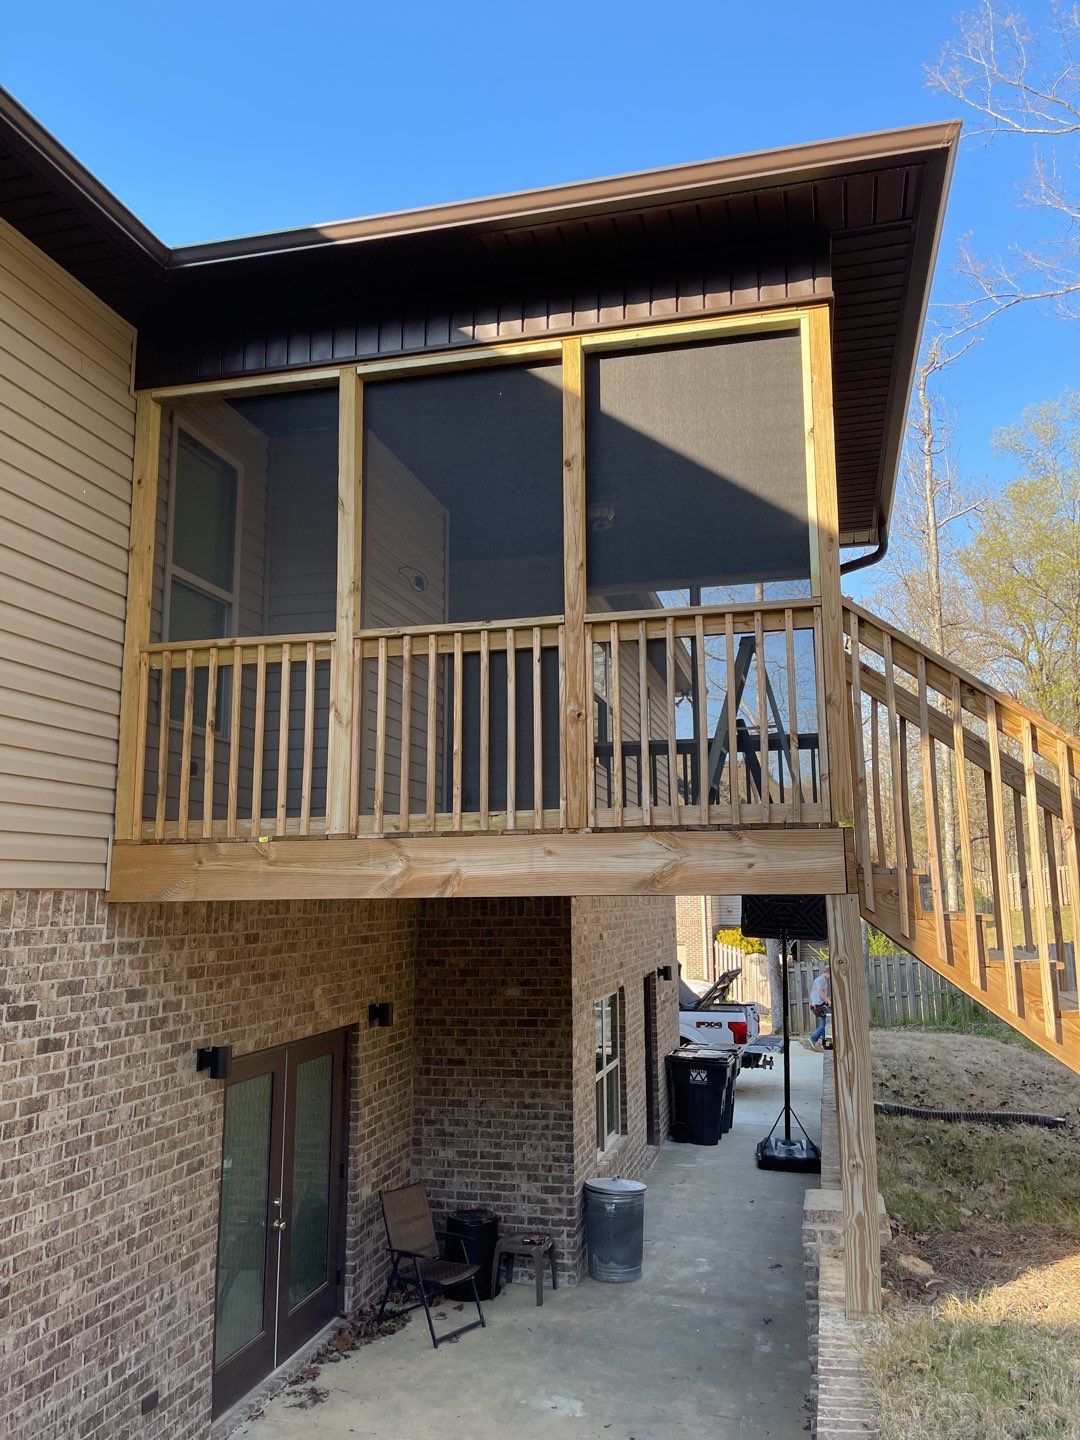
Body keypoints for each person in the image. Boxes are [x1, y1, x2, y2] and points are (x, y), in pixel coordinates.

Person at [809, 966, 831, 1048]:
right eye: (830, 975)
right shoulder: (822, 980)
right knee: (824, 1024)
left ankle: (824, 1044)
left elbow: (815, 992)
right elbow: (819, 991)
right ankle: (813, 1038)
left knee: (824, 1024)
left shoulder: (818, 979)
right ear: (827, 972)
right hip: (818, 1005)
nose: (830, 977)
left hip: (816, 1004)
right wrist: (827, 1001)